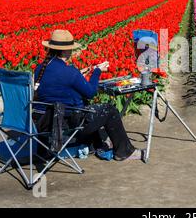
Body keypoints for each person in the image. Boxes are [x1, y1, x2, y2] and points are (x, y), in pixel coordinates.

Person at [33, 30, 144, 161]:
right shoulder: (70, 72)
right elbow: (91, 92)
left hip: (45, 121)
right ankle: (124, 151)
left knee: (85, 106)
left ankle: (98, 144)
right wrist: (97, 71)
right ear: (64, 51)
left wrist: (80, 75)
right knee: (109, 109)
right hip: (66, 123)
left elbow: (59, 84)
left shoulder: (40, 68)